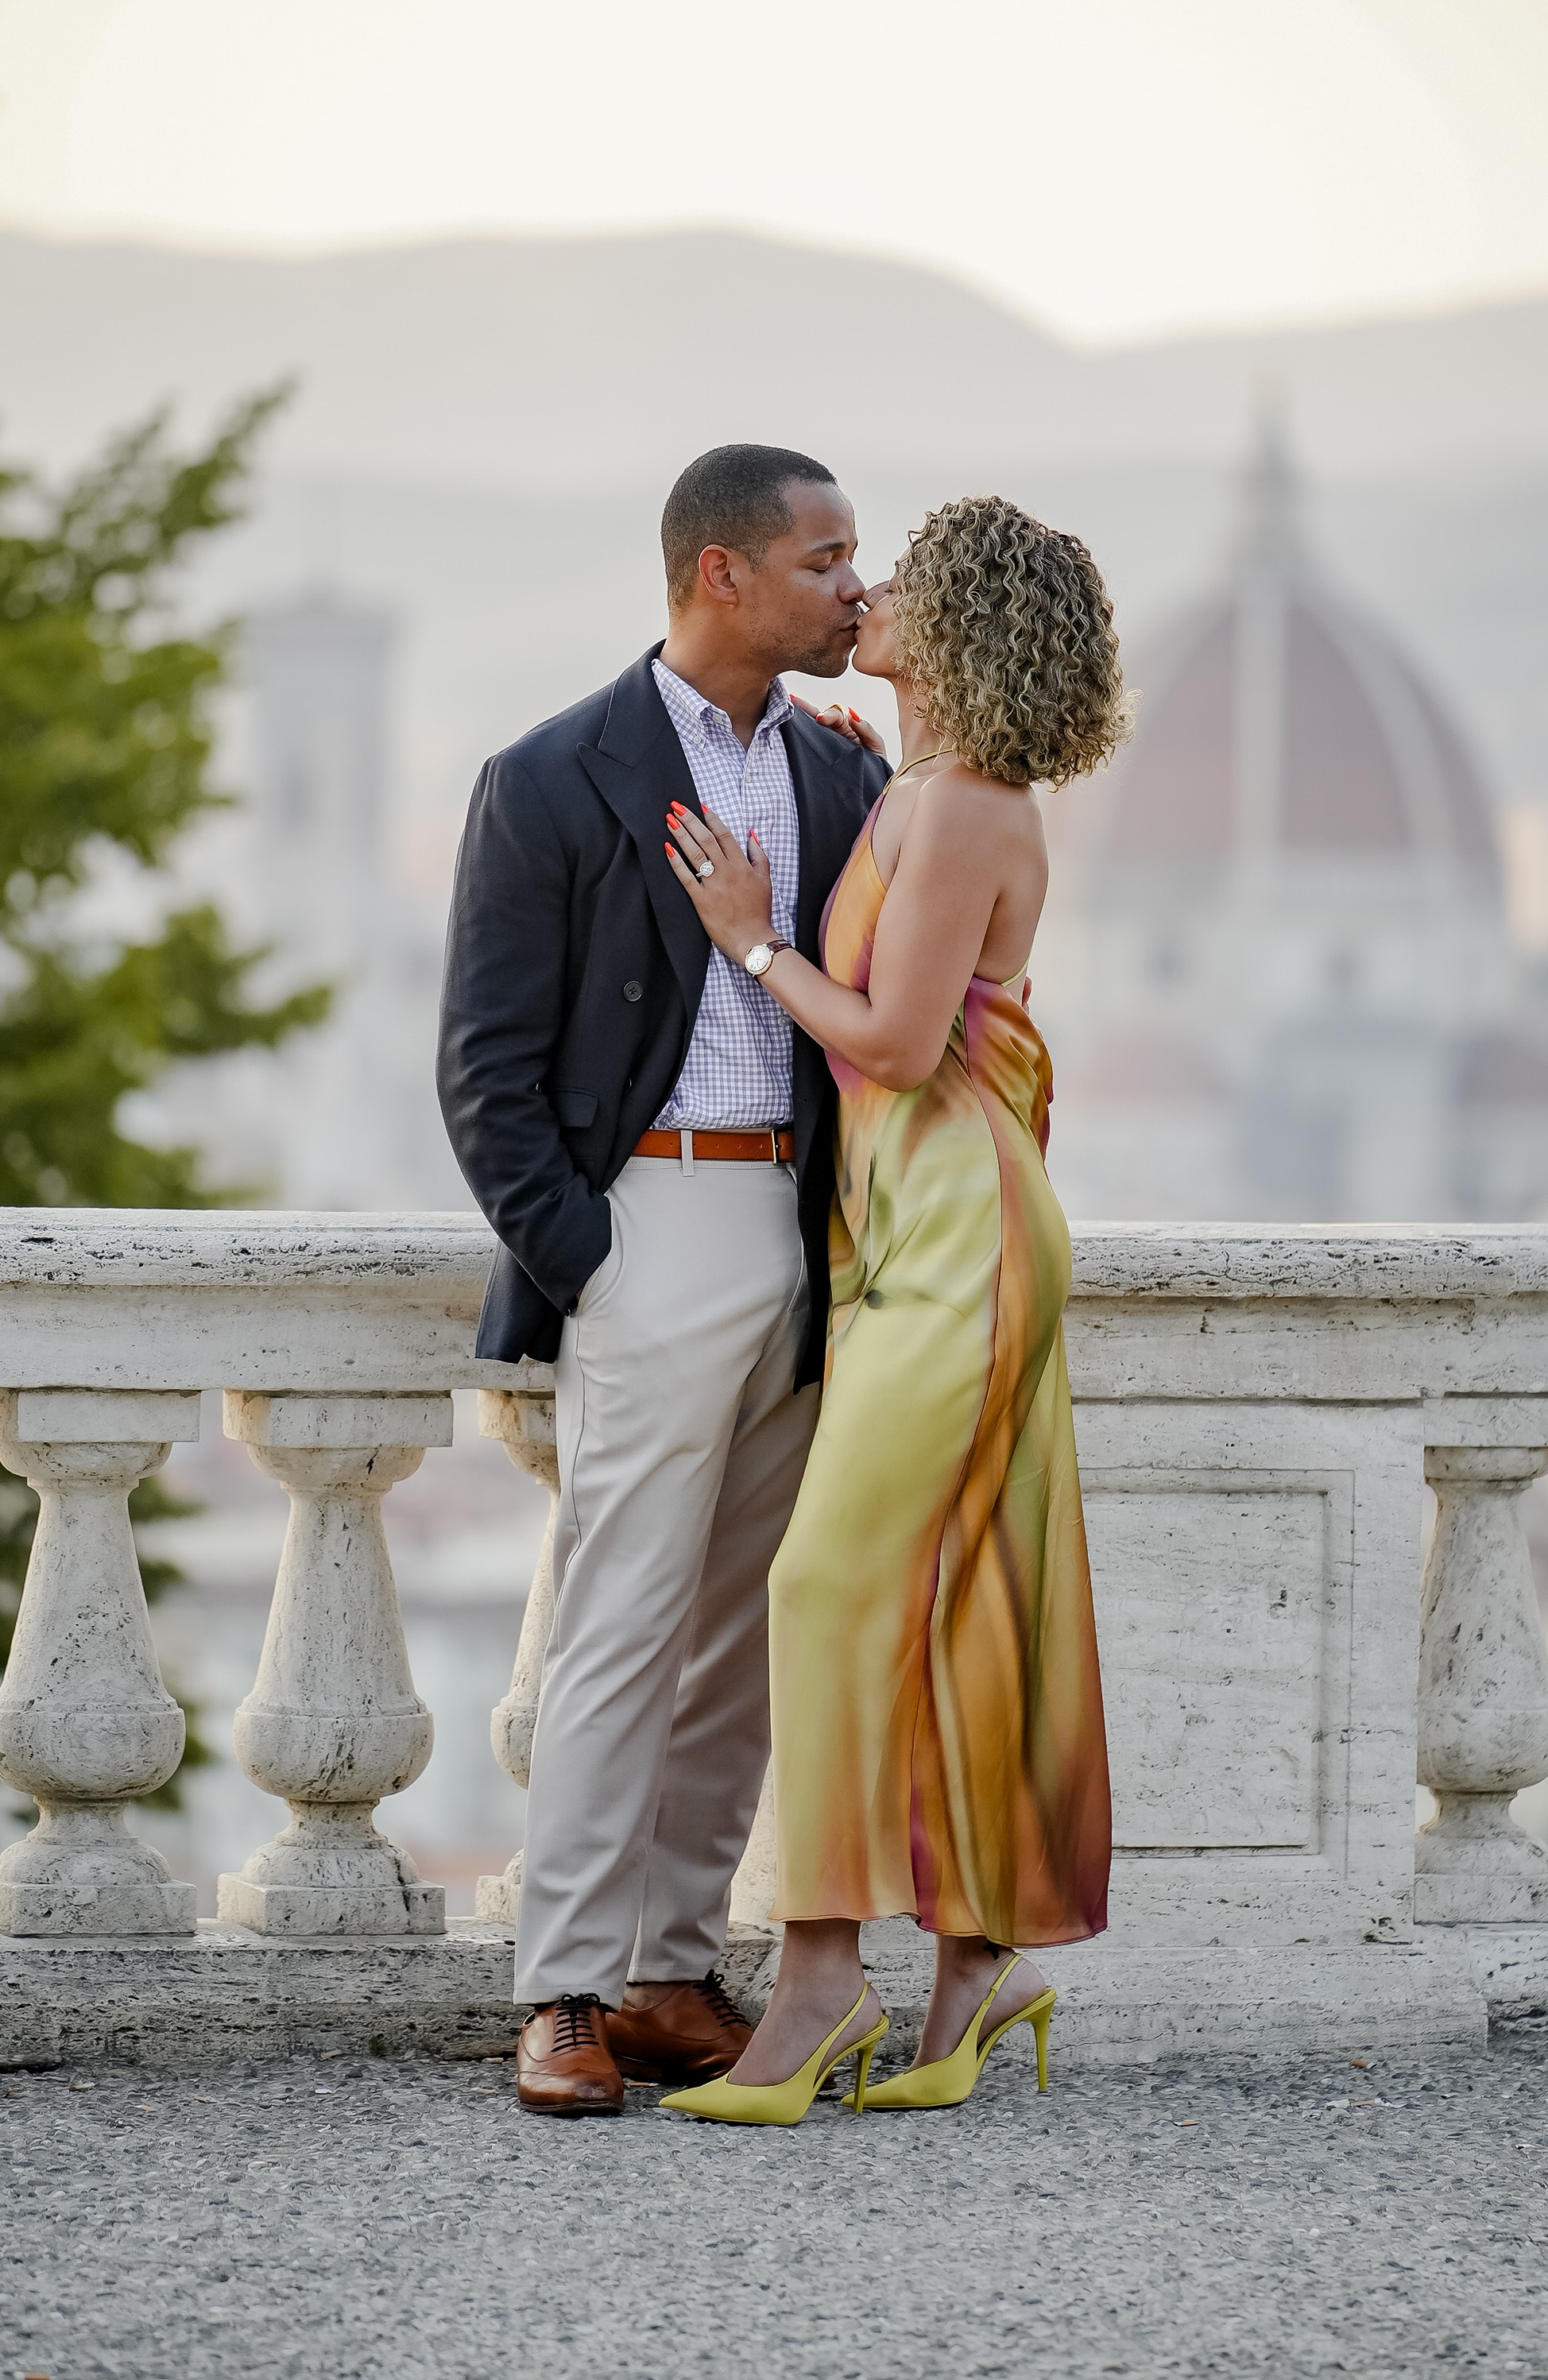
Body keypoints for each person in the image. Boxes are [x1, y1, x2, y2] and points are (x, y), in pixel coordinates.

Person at [654, 492, 1125, 2125]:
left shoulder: (973, 808)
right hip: (910, 1238)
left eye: (901, 581)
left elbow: (901, 1042)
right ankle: (980, 1975)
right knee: (961, 1605)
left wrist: (750, 943)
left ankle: (817, 1981)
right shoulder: (926, 788)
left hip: (957, 1242)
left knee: (827, 1583)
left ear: (966, 625)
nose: (869, 591)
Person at [436, 442, 889, 2116]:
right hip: (655, 1227)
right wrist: (591, 1258)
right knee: (619, 1620)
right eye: (826, 560)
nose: (855, 586)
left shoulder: (846, 781)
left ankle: (668, 1970)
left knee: (744, 1634)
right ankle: (557, 1988)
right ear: (722, 574)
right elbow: (485, 1066)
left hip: (807, 1243)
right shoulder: (550, 776)